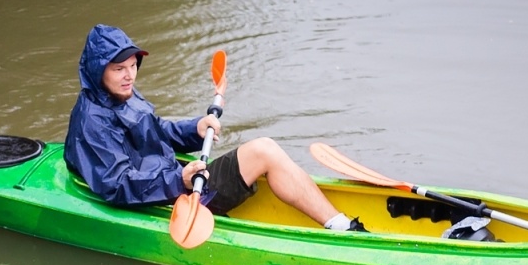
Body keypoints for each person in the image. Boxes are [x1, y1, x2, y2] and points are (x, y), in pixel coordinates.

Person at [64, 24, 364, 231]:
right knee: (264, 150)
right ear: (98, 71)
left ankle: (335, 221)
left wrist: (195, 128)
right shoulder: (92, 121)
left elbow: (157, 131)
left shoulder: (122, 91)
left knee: (265, 148)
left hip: (169, 177)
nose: (129, 75)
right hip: (163, 193)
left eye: (132, 66)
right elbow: (118, 184)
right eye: (119, 69)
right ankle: (340, 227)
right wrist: (178, 180)